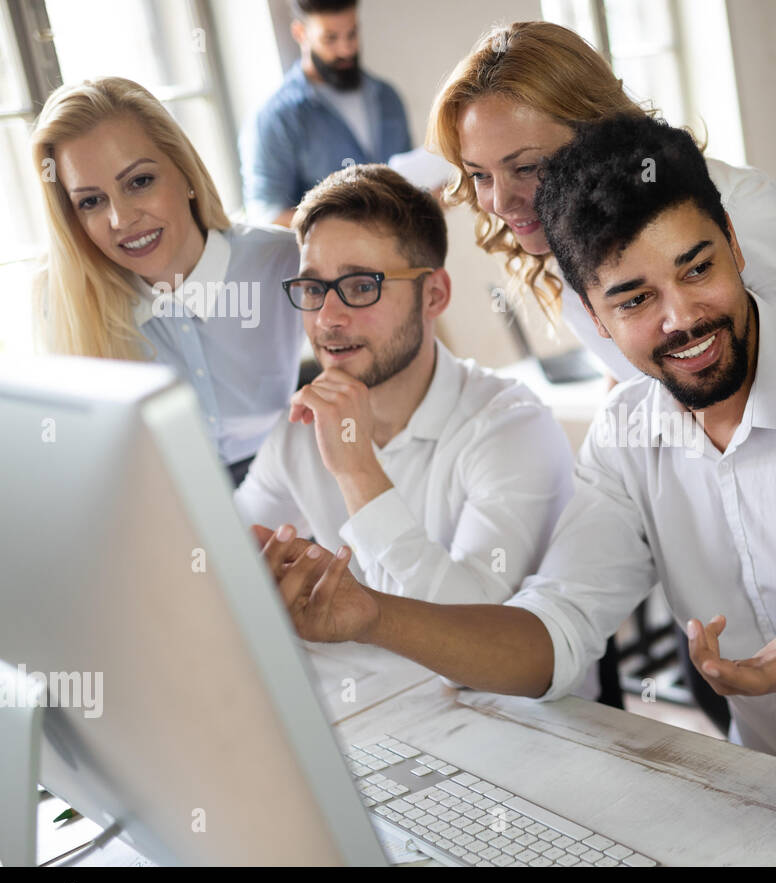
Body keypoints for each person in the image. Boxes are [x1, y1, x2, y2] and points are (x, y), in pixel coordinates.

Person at [253, 114, 776, 762]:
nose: (681, 317)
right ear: (594, 314)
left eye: (697, 268)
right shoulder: (625, 437)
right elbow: (552, 636)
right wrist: (371, 614)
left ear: (736, 247)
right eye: (635, 298)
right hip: (774, 804)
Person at [430, 20, 776, 383]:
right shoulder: (551, 239)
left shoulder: (724, 206)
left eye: (527, 168)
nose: (500, 202)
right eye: (479, 175)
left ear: (596, 127)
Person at [235, 163, 572, 604]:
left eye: (359, 286)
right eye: (313, 289)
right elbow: (221, 557)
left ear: (434, 295)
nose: (327, 318)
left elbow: (471, 635)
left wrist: (357, 470)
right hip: (341, 674)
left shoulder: (513, 428)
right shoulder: (301, 428)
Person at [31, 76, 303, 485]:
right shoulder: (64, 300)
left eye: (139, 182)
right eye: (91, 201)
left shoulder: (284, 260)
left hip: (292, 490)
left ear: (185, 174)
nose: (121, 220)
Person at [240, 0, 411, 227]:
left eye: (352, 34)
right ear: (300, 33)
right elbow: (267, 217)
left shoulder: (387, 97)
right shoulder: (275, 118)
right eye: (330, 38)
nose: (346, 49)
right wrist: (353, 223)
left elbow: (408, 183)